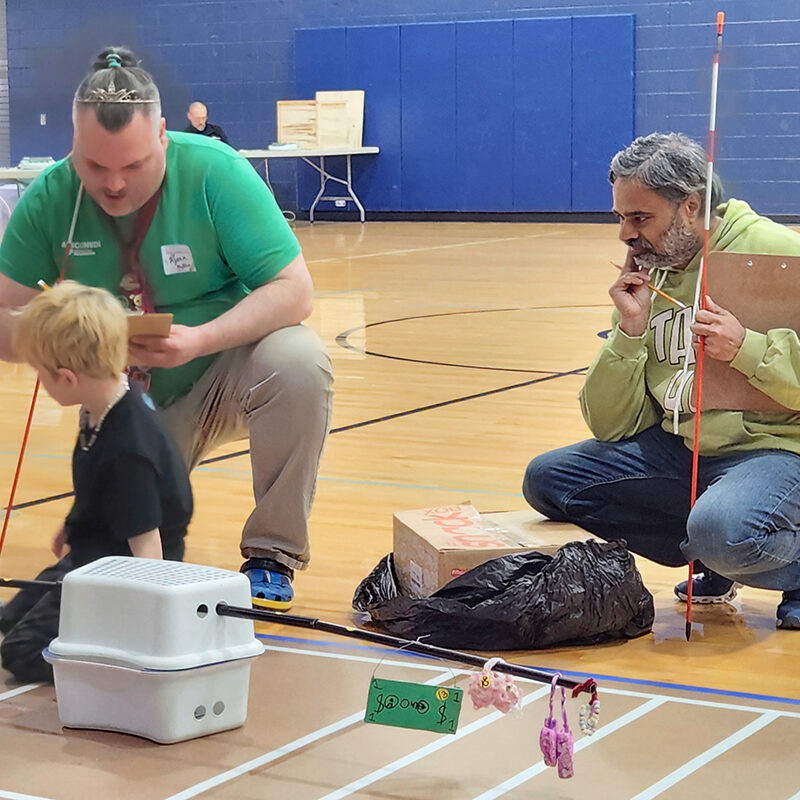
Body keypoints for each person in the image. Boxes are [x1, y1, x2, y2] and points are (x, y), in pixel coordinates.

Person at [0, 47, 333, 610]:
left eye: (131, 166)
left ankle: (272, 554)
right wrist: (75, 344)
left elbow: (295, 291)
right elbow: (3, 320)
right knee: (122, 551)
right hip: (125, 399)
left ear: (161, 134)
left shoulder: (216, 172)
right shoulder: (52, 197)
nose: (111, 184)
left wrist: (198, 340)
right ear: (73, 143)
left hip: (224, 367)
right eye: (94, 165)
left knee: (299, 363)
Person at [523, 132, 800, 629]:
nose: (626, 236)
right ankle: (712, 550)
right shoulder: (656, 272)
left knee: (724, 531)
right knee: (547, 481)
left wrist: (747, 349)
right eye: (620, 218)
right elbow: (610, 425)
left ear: (690, 207)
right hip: (682, 449)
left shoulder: (778, 251)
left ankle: (757, 557)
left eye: (640, 218)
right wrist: (628, 333)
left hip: (771, 451)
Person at [0, 281, 193, 682]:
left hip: (122, 573)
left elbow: (148, 548)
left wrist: (142, 625)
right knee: (9, 619)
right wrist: (76, 519)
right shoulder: (103, 403)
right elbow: (103, 485)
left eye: (40, 373)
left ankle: (107, 650)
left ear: (66, 378)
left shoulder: (127, 449)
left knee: (20, 652)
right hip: (94, 551)